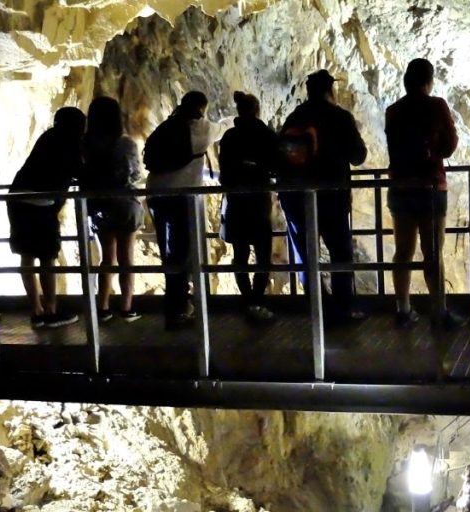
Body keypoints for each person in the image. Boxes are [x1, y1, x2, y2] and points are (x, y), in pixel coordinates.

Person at [278, 69, 368, 325]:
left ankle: (318, 308)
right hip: (331, 196)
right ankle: (344, 308)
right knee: (340, 252)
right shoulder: (339, 117)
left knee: (306, 255)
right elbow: (359, 156)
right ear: (331, 90)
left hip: (296, 198)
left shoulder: (295, 117)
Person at [385, 58, 462, 328]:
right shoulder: (436, 105)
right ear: (429, 81)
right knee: (432, 253)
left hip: (400, 187)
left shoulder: (393, 111)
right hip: (430, 186)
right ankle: (438, 312)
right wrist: (435, 152)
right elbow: (451, 144)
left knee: (403, 251)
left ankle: (403, 310)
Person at [146, 91, 229, 330]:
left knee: (168, 252)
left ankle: (175, 305)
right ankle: (178, 309)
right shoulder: (202, 129)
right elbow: (221, 129)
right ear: (202, 107)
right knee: (182, 252)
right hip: (181, 197)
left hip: (155, 194)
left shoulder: (168, 125)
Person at [7, 107, 86, 329]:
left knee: (26, 255)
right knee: (47, 256)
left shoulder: (48, 136)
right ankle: (51, 310)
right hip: (41, 202)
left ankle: (36, 310)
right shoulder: (71, 142)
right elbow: (81, 172)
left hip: (17, 198)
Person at [81, 97, 143, 323]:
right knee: (127, 258)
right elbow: (135, 174)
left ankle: (103, 307)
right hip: (125, 203)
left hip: (100, 205)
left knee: (107, 258)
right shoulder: (125, 144)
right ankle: (127, 307)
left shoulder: (86, 145)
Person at [219, 91, 277, 322]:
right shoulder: (266, 135)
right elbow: (275, 165)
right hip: (259, 200)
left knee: (240, 254)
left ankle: (247, 300)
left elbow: (224, 171)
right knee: (263, 255)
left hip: (236, 200)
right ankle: (257, 300)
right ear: (257, 110)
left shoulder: (229, 137)